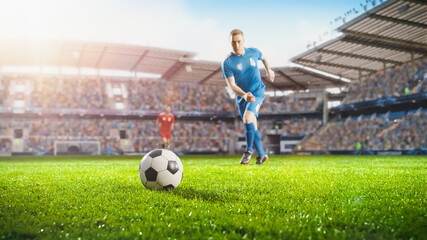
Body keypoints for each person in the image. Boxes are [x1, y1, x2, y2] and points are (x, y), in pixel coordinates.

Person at [221, 29, 275, 165]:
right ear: (230, 43)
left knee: (247, 118)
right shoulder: (227, 63)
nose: (237, 45)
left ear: (244, 41)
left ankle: (249, 151)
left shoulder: (253, 52)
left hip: (257, 92)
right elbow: (232, 86)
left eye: (239, 42)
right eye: (233, 43)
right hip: (242, 97)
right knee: (252, 124)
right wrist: (244, 95)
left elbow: (264, 58)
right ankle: (262, 155)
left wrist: (269, 70)